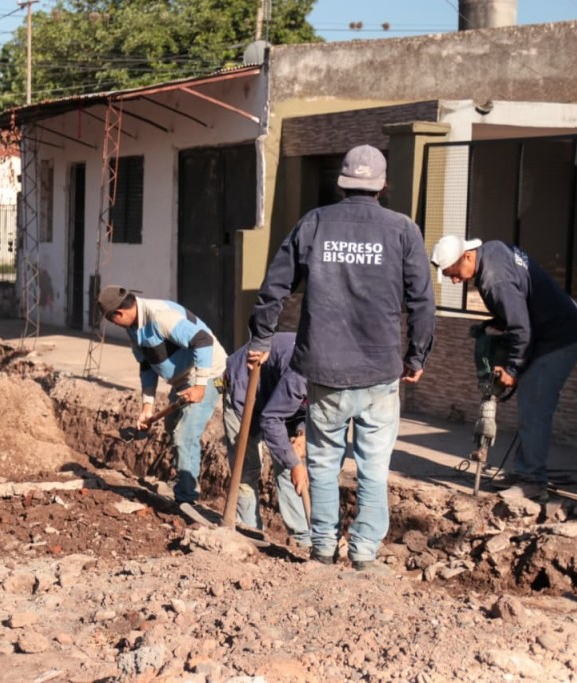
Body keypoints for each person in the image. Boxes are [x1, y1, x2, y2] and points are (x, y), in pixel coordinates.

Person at [248, 144, 435, 572]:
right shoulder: (403, 230)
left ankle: (322, 547)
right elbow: (423, 302)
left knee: (324, 463)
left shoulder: (314, 223)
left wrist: (261, 339)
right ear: (383, 186)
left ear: (341, 182)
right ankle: (365, 553)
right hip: (379, 371)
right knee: (373, 465)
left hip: (325, 370)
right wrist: (417, 355)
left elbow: (274, 287)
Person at [430, 236, 577, 501]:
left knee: (535, 402)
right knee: (532, 402)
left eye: (455, 274)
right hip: (553, 328)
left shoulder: (495, 281)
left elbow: (521, 328)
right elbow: (520, 304)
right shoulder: (492, 250)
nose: (455, 281)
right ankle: (524, 470)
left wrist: (513, 370)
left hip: (562, 335)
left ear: (468, 256)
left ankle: (532, 480)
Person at [98, 285, 227, 505]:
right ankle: (183, 478)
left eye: (112, 320)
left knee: (185, 434)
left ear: (118, 313)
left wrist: (200, 386)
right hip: (182, 381)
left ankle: (187, 499)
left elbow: (203, 340)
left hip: (210, 375)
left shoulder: (161, 317)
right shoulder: (134, 328)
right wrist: (147, 407)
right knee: (171, 427)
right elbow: (147, 367)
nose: (114, 325)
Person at [223, 333, 310, 545]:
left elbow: (309, 411)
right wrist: (294, 463)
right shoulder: (301, 372)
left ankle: (303, 538)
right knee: (247, 468)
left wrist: (302, 434)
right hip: (244, 390)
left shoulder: (330, 379)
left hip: (281, 397)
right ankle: (249, 531)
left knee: (290, 466)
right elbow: (271, 420)